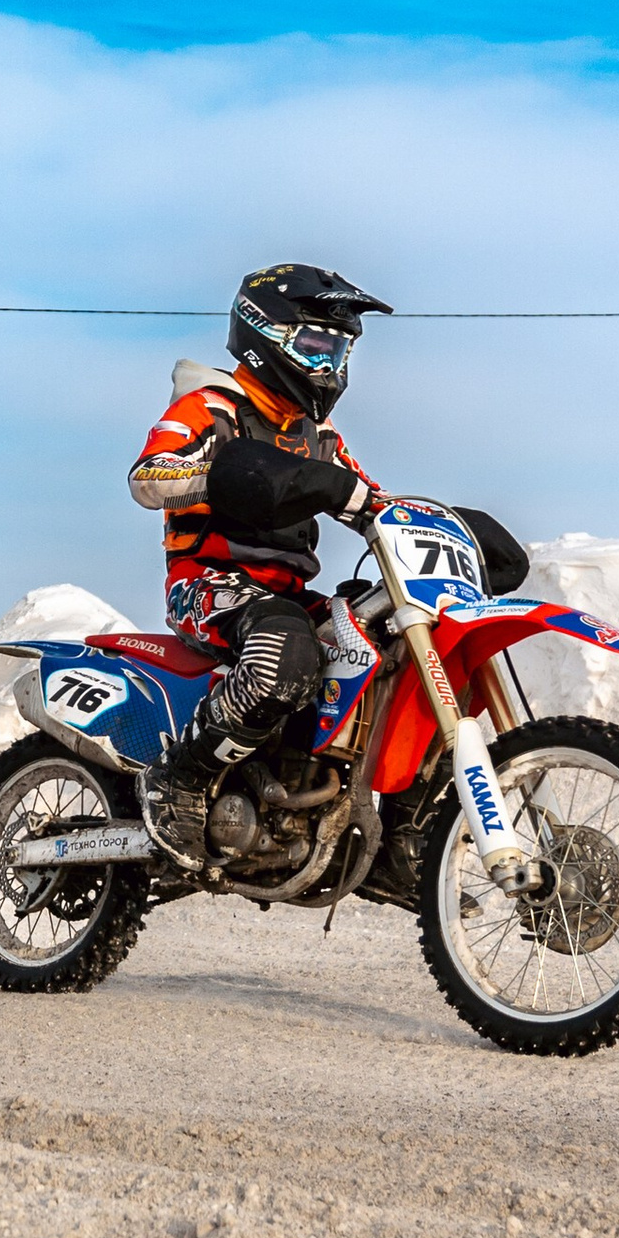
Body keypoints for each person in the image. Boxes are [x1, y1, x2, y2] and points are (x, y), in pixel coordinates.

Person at [127, 259, 527, 871]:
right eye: (317, 343)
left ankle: (398, 831)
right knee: (288, 652)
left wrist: (449, 526)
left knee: (393, 647)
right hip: (208, 583)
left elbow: (366, 499)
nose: (331, 362)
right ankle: (179, 777)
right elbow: (149, 476)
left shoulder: (319, 433)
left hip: (286, 592)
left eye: (340, 348)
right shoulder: (212, 408)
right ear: (266, 336)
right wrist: (225, 473)